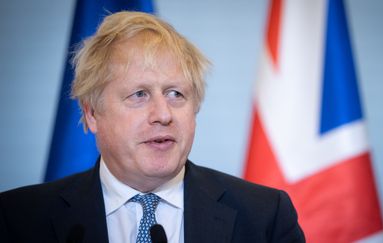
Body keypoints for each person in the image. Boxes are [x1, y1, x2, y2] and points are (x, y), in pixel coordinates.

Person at [0, 11, 305, 243]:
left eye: (176, 94)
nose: (163, 114)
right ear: (92, 113)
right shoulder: (18, 219)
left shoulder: (265, 217)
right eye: (139, 94)